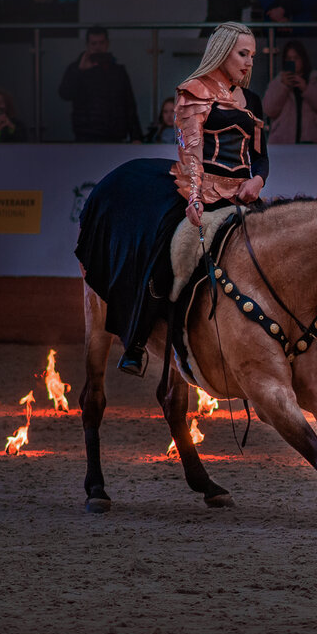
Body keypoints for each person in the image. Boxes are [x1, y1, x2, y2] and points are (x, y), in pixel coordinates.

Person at [75, 22, 267, 376]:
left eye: (252, 55)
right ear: (223, 51)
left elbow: (260, 156)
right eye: (243, 53)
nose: (249, 62)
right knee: (166, 250)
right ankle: (136, 341)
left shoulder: (251, 100)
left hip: (242, 195)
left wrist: (257, 179)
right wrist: (194, 198)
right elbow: (191, 152)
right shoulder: (194, 92)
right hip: (200, 189)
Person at [57, 27, 143, 142]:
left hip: (114, 134)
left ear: (107, 44)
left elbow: (129, 104)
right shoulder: (77, 68)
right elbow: (65, 93)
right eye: (94, 43)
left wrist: (136, 136)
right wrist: (80, 71)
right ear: (88, 45)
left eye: (101, 43)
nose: (98, 47)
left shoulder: (117, 71)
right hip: (87, 134)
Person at [264, 40, 317, 144]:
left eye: (296, 58)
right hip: (283, 141)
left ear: (303, 59)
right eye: (289, 58)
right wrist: (282, 86)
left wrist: (306, 89)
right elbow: (268, 110)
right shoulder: (278, 81)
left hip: (312, 141)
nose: (293, 61)